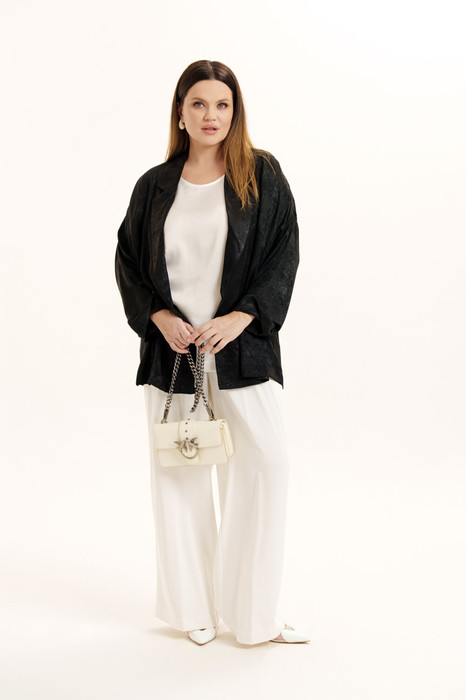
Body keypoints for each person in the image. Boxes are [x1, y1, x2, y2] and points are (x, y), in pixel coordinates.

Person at [115, 59, 310, 646]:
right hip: (174, 356)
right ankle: (193, 611)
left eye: (222, 105)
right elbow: (127, 261)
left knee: (267, 466)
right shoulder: (154, 186)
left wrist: (240, 317)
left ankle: (254, 617)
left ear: (235, 112)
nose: (211, 115)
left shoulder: (261, 174)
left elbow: (284, 252)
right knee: (180, 480)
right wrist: (160, 317)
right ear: (181, 112)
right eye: (199, 103)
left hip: (242, 351)